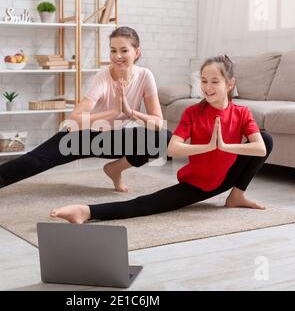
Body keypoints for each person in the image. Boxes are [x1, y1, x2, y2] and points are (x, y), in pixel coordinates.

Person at [0, 26, 171, 214]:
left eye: (123, 50)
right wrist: (114, 111)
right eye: (113, 50)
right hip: (81, 137)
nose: (117, 56)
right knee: (31, 162)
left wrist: (130, 111)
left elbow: (158, 122)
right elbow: (75, 119)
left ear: (136, 52)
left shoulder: (145, 76)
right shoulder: (103, 79)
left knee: (161, 138)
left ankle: (115, 169)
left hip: (113, 139)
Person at [50, 55, 274, 224]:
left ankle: (236, 196)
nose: (207, 87)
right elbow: (174, 149)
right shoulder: (193, 113)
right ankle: (86, 211)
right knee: (146, 204)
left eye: (215, 81)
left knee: (266, 138)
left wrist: (224, 146)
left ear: (230, 84)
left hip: (226, 176)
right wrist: (208, 146)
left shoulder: (242, 112)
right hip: (197, 186)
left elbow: (260, 149)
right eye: (204, 81)